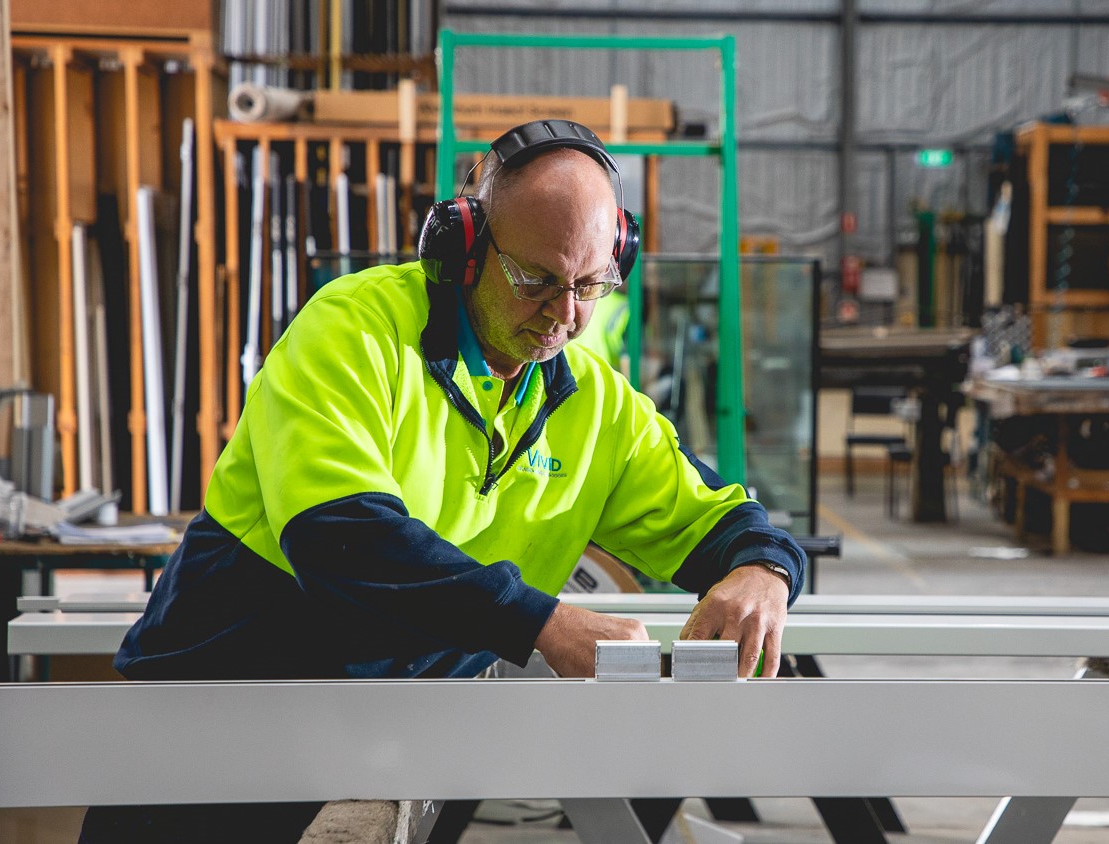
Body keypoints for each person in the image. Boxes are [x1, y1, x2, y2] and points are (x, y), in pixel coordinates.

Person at [80, 120, 805, 843]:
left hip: (391, 729)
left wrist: (763, 569)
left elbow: (715, 517)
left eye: (591, 285)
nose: (565, 316)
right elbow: (342, 538)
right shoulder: (352, 332)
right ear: (464, 247)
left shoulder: (593, 406)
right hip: (220, 704)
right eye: (536, 280)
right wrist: (541, 622)